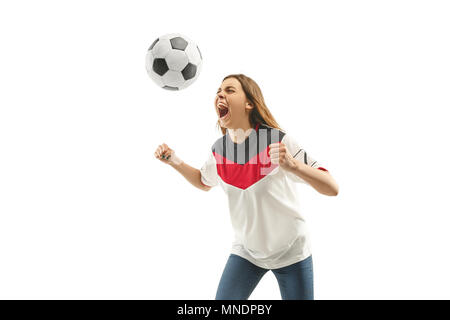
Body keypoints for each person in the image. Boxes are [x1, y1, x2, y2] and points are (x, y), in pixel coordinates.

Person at [154, 74, 339, 300]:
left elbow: (332, 187)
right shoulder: (219, 151)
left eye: (230, 90)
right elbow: (203, 182)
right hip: (248, 252)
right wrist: (174, 160)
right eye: (218, 91)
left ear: (249, 103)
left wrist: (294, 166)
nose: (220, 94)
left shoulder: (277, 141)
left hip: (292, 251)